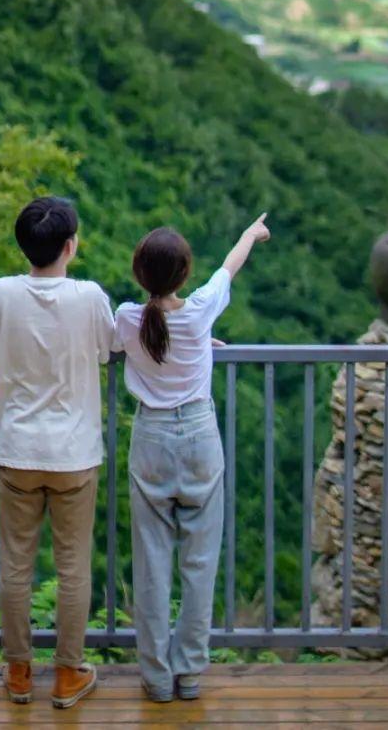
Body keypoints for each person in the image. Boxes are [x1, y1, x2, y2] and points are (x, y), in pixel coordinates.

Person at [0, 196, 115, 711]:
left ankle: (19, 670)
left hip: (17, 450)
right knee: (73, 565)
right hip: (74, 454)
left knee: (16, 563)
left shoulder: (2, 293)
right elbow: (109, 349)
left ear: (24, 246)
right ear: (71, 247)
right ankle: (69, 674)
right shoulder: (90, 297)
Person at [116, 212, 270, 703]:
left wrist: (196, 343)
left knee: (153, 564)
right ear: (184, 275)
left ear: (140, 276)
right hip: (200, 437)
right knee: (200, 563)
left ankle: (157, 679)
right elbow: (230, 266)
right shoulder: (200, 310)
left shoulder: (126, 318)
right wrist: (250, 233)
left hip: (152, 441)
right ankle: (190, 674)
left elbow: (137, 339)